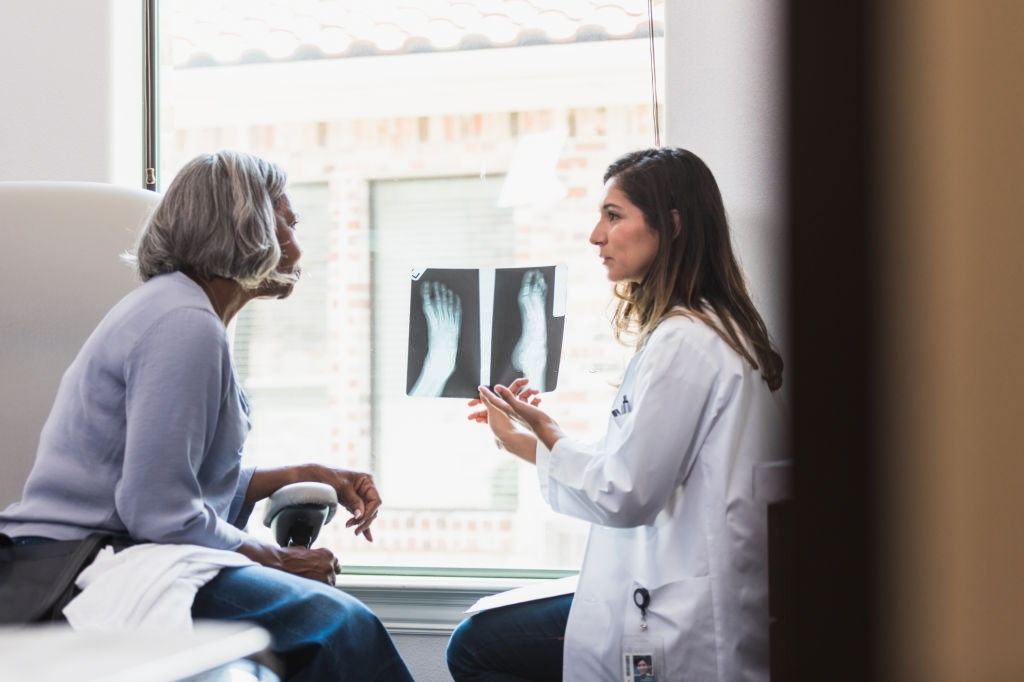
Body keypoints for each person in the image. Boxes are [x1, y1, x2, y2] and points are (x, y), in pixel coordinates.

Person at [0, 151, 414, 682]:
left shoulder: (179, 311)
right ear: (249, 228)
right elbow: (157, 510)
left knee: (334, 625)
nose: (298, 244)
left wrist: (296, 476)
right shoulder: (184, 324)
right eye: (288, 221)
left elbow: (170, 479)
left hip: (115, 550)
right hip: (84, 565)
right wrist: (278, 560)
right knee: (335, 625)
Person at [445, 147, 787, 681]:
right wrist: (528, 439)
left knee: (475, 646)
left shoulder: (685, 342)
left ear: (670, 225)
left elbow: (626, 492)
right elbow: (637, 467)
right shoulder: (709, 330)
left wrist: (542, 437)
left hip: (678, 614)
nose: (595, 235)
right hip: (677, 588)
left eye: (613, 215)